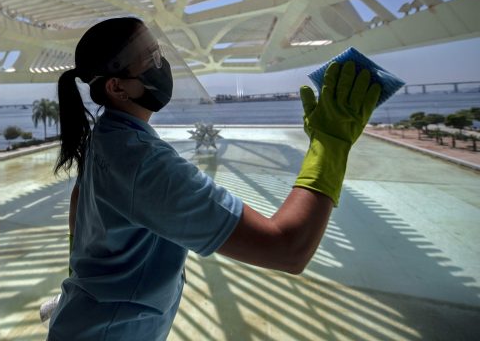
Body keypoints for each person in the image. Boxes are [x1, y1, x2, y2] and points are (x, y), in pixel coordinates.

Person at [47, 17, 380, 340]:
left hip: (82, 320)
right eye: (150, 59)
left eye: (159, 52)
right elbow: (287, 249)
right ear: (117, 86)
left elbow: (80, 205)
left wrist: (86, 277)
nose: (161, 65)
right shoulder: (144, 162)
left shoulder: (106, 134)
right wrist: (331, 143)